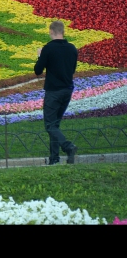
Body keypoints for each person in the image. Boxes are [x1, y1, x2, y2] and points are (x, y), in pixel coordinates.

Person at [34, 20, 79, 166]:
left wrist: (40, 56)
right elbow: (72, 70)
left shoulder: (48, 48)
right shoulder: (72, 49)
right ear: (63, 31)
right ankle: (54, 159)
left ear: (51, 32)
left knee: (49, 125)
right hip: (67, 90)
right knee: (55, 125)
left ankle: (68, 147)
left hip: (54, 91)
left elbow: (38, 70)